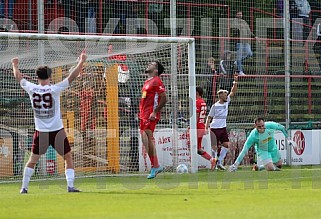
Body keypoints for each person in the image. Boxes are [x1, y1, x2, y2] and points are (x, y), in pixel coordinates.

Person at [11, 52, 87, 193]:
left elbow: (18, 77)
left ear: (37, 77)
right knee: (68, 157)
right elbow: (72, 76)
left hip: (41, 132)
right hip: (57, 131)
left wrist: (15, 65)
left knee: (33, 160)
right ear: (50, 76)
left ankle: (24, 188)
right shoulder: (55, 89)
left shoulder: (31, 88)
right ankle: (70, 186)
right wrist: (81, 62)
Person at [228, 117, 295, 172]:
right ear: (255, 126)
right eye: (259, 127)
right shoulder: (253, 135)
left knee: (279, 165)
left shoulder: (270, 125)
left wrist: (288, 138)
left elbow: (282, 128)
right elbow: (244, 150)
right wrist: (235, 165)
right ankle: (267, 166)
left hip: (273, 148)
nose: (261, 128)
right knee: (270, 168)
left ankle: (259, 167)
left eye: (263, 126)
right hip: (263, 151)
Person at [139, 61, 167, 179]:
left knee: (148, 139)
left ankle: (156, 166)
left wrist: (155, 112)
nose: (148, 64)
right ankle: (156, 166)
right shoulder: (147, 82)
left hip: (150, 115)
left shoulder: (157, 81)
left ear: (156, 70)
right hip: (143, 114)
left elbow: (164, 98)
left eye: (151, 64)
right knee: (145, 139)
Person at [205, 74, 238, 171]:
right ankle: (214, 163)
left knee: (226, 145)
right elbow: (209, 117)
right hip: (214, 128)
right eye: (224, 94)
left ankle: (219, 161)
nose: (226, 96)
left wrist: (235, 82)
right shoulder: (215, 106)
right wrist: (206, 127)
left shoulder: (227, 101)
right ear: (220, 96)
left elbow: (233, 92)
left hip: (223, 128)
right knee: (214, 147)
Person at [194, 87, 217, 170]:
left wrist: (192, 126)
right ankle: (212, 160)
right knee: (197, 148)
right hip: (201, 126)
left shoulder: (197, 102)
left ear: (196, 93)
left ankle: (192, 166)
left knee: (192, 146)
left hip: (196, 127)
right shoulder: (203, 102)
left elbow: (196, 116)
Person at [232, 10, 256, 75]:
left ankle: (237, 61)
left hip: (246, 41)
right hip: (239, 41)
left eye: (241, 14)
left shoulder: (244, 22)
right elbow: (233, 30)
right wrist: (238, 27)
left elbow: (249, 31)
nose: (240, 15)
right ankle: (240, 71)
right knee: (239, 56)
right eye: (239, 14)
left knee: (250, 53)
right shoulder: (234, 22)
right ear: (236, 15)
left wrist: (254, 36)